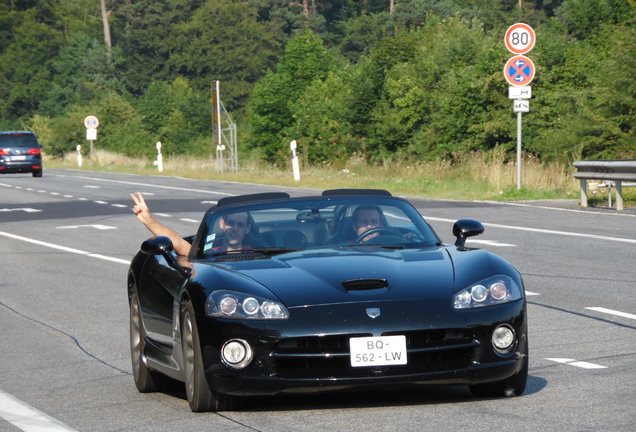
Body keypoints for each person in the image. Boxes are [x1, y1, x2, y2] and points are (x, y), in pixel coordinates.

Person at [131, 192, 253, 257]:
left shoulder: (257, 253)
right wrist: (149, 220)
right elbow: (177, 241)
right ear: (222, 224)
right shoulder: (207, 253)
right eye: (231, 223)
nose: (235, 229)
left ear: (247, 228)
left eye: (240, 225)